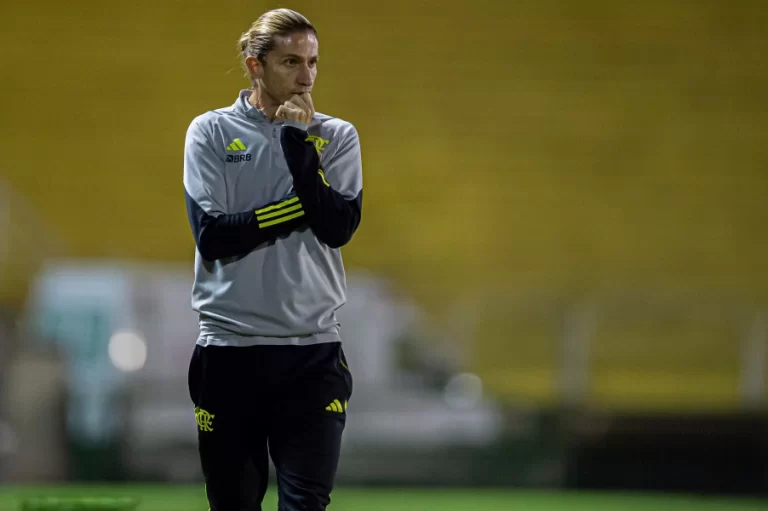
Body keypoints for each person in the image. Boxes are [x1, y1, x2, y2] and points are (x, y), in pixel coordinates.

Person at [182, 8, 363, 511]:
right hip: (229, 351)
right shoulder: (211, 132)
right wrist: (306, 199)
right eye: (290, 62)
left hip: (312, 354)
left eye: (313, 62)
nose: (306, 77)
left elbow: (338, 227)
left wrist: (295, 142)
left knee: (306, 505)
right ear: (254, 66)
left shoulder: (337, 135)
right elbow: (214, 236)